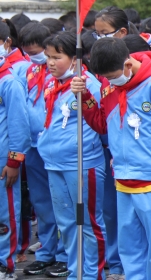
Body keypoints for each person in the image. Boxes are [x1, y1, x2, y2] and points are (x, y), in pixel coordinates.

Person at [71, 38, 151, 279]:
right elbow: (103, 125)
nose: (110, 82)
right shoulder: (110, 86)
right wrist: (86, 99)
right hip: (123, 180)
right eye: (106, 78)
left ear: (127, 64)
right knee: (130, 249)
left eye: (113, 76)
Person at [38, 32, 108, 280]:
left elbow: (102, 124)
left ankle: (92, 274)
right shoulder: (52, 84)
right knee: (66, 224)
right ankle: (75, 272)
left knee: (89, 223)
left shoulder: (90, 86)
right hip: (54, 164)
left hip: (81, 164)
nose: (50, 62)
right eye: (48, 57)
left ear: (75, 59)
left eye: (57, 57)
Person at [20, 23, 71, 277]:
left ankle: (64, 253)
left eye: (42, 53)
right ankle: (46, 251)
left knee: (62, 204)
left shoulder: (65, 75)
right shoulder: (28, 70)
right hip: (33, 146)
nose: (42, 59)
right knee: (42, 204)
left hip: (58, 149)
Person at [0, 49, 30, 280]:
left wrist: (14, 160)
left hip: (3, 160)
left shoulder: (9, 82)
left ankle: (5, 264)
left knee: (5, 213)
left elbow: (19, 123)